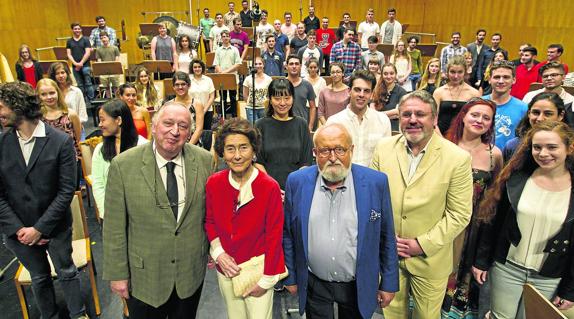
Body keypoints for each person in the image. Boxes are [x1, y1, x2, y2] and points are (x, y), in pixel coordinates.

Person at [103, 102, 213, 319]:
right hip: (145, 277)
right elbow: (114, 227)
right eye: (168, 123)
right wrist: (117, 275)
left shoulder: (205, 160)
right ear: (153, 126)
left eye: (183, 126)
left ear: (189, 132)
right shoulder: (123, 165)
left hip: (189, 274)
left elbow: (209, 213)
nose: (175, 131)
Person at [371, 90, 474, 319]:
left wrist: (421, 244)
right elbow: (372, 201)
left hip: (430, 258)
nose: (413, 120)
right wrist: (384, 239)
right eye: (406, 114)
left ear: (434, 119)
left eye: (420, 114)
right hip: (390, 255)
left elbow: (459, 214)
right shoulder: (383, 148)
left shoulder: (457, 158)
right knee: (391, 315)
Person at [283, 122, 399, 318]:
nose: (333, 158)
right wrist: (291, 277)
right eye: (325, 151)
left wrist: (388, 283)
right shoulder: (297, 182)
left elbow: (386, 236)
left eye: (340, 149)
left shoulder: (375, 182)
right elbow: (288, 235)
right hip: (314, 284)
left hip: (357, 284)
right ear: (314, 152)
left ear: (351, 150)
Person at [0, 81, 88, 319]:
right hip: (18, 233)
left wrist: (40, 228)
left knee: (67, 272)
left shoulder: (60, 141)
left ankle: (78, 313)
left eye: (2, 106)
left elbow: (66, 190)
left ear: (18, 106)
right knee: (38, 278)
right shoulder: (2, 143)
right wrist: (20, 230)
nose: (0, 113)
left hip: (55, 226)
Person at [473, 121, 574, 318]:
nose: (543, 153)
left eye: (552, 147)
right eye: (537, 147)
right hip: (507, 268)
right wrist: (481, 261)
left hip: (549, 277)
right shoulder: (516, 178)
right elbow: (492, 223)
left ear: (569, 148)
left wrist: (570, 289)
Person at [206, 118, 285, 319]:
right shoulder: (214, 183)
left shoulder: (269, 186)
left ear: (254, 150)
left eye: (244, 147)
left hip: (258, 273)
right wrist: (219, 254)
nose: (237, 156)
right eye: (230, 149)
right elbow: (210, 222)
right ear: (222, 153)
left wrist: (267, 280)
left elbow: (275, 235)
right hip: (226, 271)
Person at [441, 98, 503, 319]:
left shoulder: (493, 154)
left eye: (486, 118)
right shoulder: (445, 145)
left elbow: (493, 198)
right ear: (464, 116)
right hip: (443, 220)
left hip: (472, 229)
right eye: (475, 115)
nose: (480, 120)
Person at [91, 100, 148, 218]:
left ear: (119, 120)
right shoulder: (100, 150)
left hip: (141, 214)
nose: (100, 125)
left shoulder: (144, 147)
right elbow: (98, 184)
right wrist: (105, 213)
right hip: (111, 213)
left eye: (103, 120)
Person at [255, 78, 313, 190]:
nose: (282, 103)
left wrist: (293, 187)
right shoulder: (260, 125)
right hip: (267, 188)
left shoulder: (301, 124)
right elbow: (258, 162)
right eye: (277, 99)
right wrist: (273, 187)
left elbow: (306, 161)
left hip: (296, 188)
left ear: (293, 99)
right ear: (270, 100)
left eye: (287, 98)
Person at [327, 70, 391, 166]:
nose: (361, 95)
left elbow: (386, 156)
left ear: (372, 94)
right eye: (357, 89)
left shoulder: (383, 120)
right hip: (343, 178)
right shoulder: (334, 122)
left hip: (372, 178)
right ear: (349, 91)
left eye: (366, 91)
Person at [37, 79, 82, 188]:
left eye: (52, 93)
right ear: (39, 96)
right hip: (47, 161)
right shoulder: (37, 117)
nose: (49, 97)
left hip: (70, 159)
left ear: (58, 92)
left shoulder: (71, 114)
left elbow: (78, 136)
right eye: (44, 94)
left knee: (71, 192)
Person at [503, 92, 565, 161]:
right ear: (529, 113)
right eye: (536, 113)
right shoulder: (513, 146)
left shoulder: (569, 146)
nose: (540, 119)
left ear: (560, 115)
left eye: (548, 114)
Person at [484, 60, 528, 150]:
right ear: (489, 79)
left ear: (514, 80)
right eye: (496, 77)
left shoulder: (523, 108)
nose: (501, 81)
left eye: (506, 77)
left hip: (508, 159)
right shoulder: (477, 103)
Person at [433, 56, 481, 134]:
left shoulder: (474, 93)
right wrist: (441, 139)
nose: (456, 76)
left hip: (464, 137)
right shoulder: (439, 92)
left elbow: (476, 120)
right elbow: (433, 120)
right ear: (447, 72)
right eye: (452, 72)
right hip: (440, 135)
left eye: (460, 72)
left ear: (465, 72)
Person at [168, 71, 205, 146]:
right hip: (173, 144)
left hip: (193, 145)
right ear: (173, 87)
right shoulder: (168, 105)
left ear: (189, 85)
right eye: (177, 85)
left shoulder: (197, 104)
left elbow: (199, 129)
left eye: (183, 84)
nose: (180, 87)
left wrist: (188, 147)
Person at [371, 63, 408, 131]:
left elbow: (398, 112)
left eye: (391, 73)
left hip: (393, 128)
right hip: (377, 128)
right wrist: (392, 114)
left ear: (395, 74)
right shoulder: (376, 89)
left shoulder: (402, 92)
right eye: (385, 74)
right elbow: (372, 112)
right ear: (382, 75)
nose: (388, 76)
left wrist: (378, 115)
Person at [214, 30, 242, 118]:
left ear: (230, 37)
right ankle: (223, 118)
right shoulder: (218, 50)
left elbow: (237, 64)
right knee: (223, 99)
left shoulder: (235, 50)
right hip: (222, 78)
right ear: (221, 38)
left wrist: (226, 72)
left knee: (233, 98)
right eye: (223, 36)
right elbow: (216, 64)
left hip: (232, 78)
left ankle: (234, 118)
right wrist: (220, 72)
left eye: (227, 36)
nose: (225, 38)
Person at [66, 23, 95, 103]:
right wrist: (75, 63)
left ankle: (91, 101)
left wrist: (81, 63)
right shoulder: (69, 41)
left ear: (81, 30)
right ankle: (82, 101)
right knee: (80, 84)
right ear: (72, 30)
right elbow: (69, 54)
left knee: (88, 83)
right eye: (75, 29)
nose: (77, 30)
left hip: (85, 65)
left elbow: (87, 53)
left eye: (78, 29)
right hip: (75, 66)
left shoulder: (86, 39)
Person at [286, 55, 316, 131]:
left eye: (296, 64)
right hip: (284, 125)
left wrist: (310, 127)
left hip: (302, 126)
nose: (294, 66)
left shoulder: (307, 85)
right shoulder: (281, 84)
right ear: (286, 66)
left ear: (300, 66)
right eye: (291, 64)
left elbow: (312, 107)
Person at [189, 59, 215, 132]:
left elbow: (212, 97)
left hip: (207, 111)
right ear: (192, 69)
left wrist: (203, 111)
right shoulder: (188, 80)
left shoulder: (208, 80)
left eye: (199, 67)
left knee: (206, 135)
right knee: (193, 133)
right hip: (192, 112)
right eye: (195, 67)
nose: (197, 69)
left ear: (202, 68)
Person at [243, 56, 272, 122]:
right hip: (251, 108)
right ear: (253, 66)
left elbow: (269, 95)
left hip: (263, 108)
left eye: (260, 64)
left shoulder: (269, 79)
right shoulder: (248, 79)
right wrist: (250, 103)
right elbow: (245, 95)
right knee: (253, 129)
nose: (258, 66)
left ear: (263, 65)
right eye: (255, 64)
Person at [95, 31, 120, 98]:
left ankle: (117, 100)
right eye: (101, 38)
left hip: (114, 71)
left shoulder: (115, 48)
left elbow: (117, 60)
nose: (103, 39)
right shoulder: (98, 49)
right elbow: (99, 60)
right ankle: (109, 100)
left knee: (116, 88)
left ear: (108, 38)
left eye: (104, 37)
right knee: (107, 88)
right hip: (104, 72)